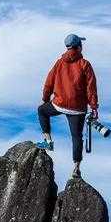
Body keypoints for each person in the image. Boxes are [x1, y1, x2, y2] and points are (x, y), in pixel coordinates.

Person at [36, 32, 99, 178]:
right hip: (78, 109)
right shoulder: (85, 65)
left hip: (60, 103)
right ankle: (76, 168)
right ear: (79, 47)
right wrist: (94, 107)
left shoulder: (59, 63)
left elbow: (49, 83)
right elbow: (91, 88)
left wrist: (46, 99)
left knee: (42, 111)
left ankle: (48, 141)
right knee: (76, 137)